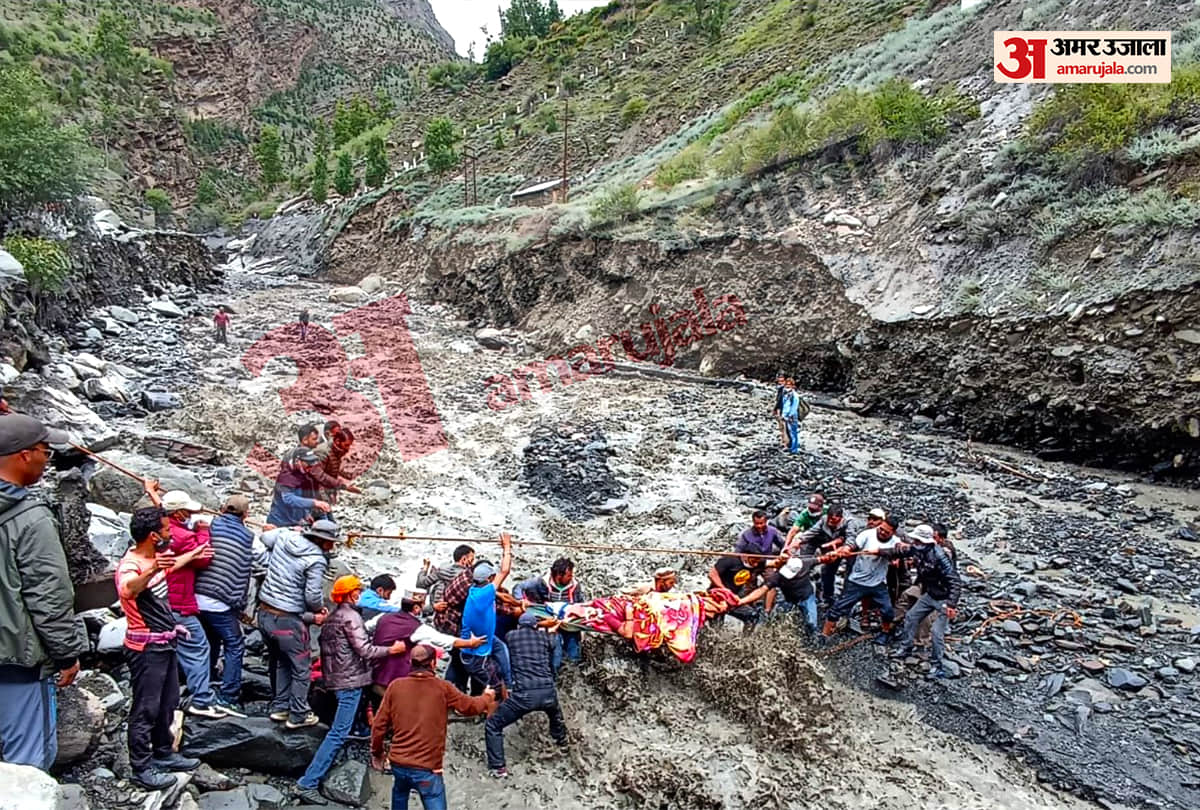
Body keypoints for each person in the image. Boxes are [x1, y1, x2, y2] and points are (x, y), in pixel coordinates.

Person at [0, 414, 87, 771]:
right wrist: (67, 655)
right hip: (16, 661)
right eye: (45, 452)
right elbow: (49, 597)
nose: (46, 460)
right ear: (24, 455)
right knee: (26, 764)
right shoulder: (30, 518)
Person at [296, 576, 405, 805]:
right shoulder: (352, 616)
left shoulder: (334, 616)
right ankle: (308, 782)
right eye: (356, 590)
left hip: (335, 678)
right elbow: (365, 650)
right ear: (349, 594)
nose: (359, 593)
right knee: (338, 733)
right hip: (350, 682)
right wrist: (391, 650)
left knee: (342, 728)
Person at [118, 506, 201, 790]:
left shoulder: (154, 558)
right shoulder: (133, 565)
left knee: (168, 703)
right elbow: (128, 589)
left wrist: (193, 554)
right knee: (146, 708)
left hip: (164, 643)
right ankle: (141, 767)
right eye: (165, 531)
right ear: (153, 536)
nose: (169, 534)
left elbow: (169, 567)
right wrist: (153, 567)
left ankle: (164, 753)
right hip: (146, 649)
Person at [370, 644, 495, 810]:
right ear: (433, 664)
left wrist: (377, 753)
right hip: (427, 769)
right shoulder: (442, 688)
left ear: (410, 663)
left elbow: (378, 726)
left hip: (398, 764)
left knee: (400, 793)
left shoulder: (395, 686)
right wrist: (487, 697)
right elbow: (470, 707)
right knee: (433, 797)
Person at [258, 519, 339, 729]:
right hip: (288, 620)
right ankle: (298, 713)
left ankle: (280, 707)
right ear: (325, 541)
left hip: (265, 612)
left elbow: (265, 537)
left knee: (281, 662)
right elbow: (312, 595)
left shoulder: (286, 536)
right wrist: (318, 610)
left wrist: (286, 528)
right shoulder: (316, 559)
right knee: (301, 669)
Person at [158, 490, 226, 719]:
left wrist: (150, 491)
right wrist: (203, 531)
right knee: (198, 647)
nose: (190, 514)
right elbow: (205, 557)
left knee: (172, 646)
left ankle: (171, 693)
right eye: (187, 511)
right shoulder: (185, 537)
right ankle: (201, 700)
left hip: (160, 600)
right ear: (177, 513)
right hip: (180, 601)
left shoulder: (160, 531)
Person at [194, 495, 258, 716]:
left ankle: (208, 679)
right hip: (219, 601)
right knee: (234, 644)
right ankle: (228, 695)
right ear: (245, 515)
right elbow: (255, 565)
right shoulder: (250, 537)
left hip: (197, 595)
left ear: (222, 509)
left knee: (210, 639)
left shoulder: (208, 525)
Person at [484, 613, 568, 778]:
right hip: (548, 692)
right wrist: (553, 628)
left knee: (493, 726)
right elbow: (552, 641)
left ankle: (498, 767)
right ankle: (562, 742)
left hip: (524, 696)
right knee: (555, 714)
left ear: (519, 626)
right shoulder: (545, 638)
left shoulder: (511, 636)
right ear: (536, 626)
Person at [372, 592, 485, 698]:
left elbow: (365, 628)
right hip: (395, 684)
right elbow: (445, 640)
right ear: (416, 608)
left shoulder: (382, 617)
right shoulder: (417, 628)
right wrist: (470, 643)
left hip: (375, 676)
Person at [890, 525, 962, 679]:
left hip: (943, 598)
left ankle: (937, 665)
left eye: (917, 540)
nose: (914, 542)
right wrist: (882, 552)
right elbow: (903, 551)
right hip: (929, 594)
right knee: (911, 616)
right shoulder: (918, 549)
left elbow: (955, 581)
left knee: (936, 633)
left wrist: (951, 604)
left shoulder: (940, 556)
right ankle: (906, 648)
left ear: (925, 541)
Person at [821, 516, 904, 644]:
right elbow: (853, 544)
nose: (882, 532)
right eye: (881, 529)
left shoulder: (895, 541)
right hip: (857, 582)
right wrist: (845, 550)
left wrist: (882, 553)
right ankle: (824, 635)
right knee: (837, 609)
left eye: (886, 532)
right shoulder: (867, 534)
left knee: (887, 611)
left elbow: (901, 550)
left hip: (878, 583)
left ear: (893, 532)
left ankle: (885, 632)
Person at [461, 534, 513, 694]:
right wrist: (507, 547)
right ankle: (499, 706)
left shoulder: (474, 589)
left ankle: (510, 684)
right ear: (489, 579)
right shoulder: (485, 593)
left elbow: (498, 593)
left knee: (501, 648)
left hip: (483, 640)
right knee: (494, 689)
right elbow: (505, 570)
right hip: (476, 654)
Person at [514, 557, 586, 668]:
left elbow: (580, 602)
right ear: (558, 576)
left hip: (568, 621)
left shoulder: (575, 585)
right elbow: (519, 587)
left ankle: (573, 671)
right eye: (569, 575)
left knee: (574, 655)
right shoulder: (540, 582)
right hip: (549, 621)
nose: (572, 577)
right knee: (554, 653)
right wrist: (521, 600)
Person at [787, 503, 850, 609]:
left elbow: (852, 539)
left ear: (840, 518)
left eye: (833, 520)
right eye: (829, 519)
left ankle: (845, 601)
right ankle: (827, 598)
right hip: (828, 546)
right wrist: (798, 541)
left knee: (849, 575)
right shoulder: (824, 520)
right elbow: (812, 531)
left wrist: (844, 548)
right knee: (827, 572)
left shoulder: (849, 522)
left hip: (846, 549)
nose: (830, 522)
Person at [734, 511, 786, 614]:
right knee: (750, 584)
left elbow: (783, 545)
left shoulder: (772, 531)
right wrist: (743, 557)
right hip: (752, 563)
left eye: (761, 523)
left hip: (767, 561)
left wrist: (784, 554)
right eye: (756, 523)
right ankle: (751, 608)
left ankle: (767, 609)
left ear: (766, 521)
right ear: (753, 522)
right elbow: (737, 551)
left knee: (772, 580)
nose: (759, 526)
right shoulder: (746, 535)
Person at [708, 553, 775, 631]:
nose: (756, 563)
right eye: (754, 560)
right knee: (716, 626)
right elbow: (712, 574)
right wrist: (726, 590)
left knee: (752, 616)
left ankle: (745, 640)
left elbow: (775, 562)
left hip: (734, 599)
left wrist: (785, 557)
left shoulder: (757, 563)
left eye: (758, 561)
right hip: (718, 597)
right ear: (746, 556)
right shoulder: (729, 560)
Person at [266, 449, 332, 527]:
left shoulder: (303, 474)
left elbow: (303, 496)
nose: (310, 467)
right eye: (307, 463)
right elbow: (289, 499)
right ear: (297, 461)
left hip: (296, 521)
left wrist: (306, 514)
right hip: (280, 522)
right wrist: (315, 503)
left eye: (312, 463)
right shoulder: (285, 476)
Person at [420, 544, 474, 614]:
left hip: (435, 612)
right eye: (472, 560)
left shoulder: (441, 570)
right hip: (455, 616)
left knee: (440, 583)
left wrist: (425, 567)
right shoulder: (467, 578)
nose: (473, 563)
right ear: (464, 559)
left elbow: (421, 583)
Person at [780, 377, 801, 454]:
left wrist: (789, 416)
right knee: (789, 432)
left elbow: (794, 407)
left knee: (793, 432)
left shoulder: (795, 396)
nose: (787, 386)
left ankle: (794, 449)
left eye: (789, 385)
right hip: (786, 416)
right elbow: (785, 405)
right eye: (786, 384)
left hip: (792, 416)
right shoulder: (786, 394)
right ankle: (791, 447)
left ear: (793, 386)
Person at [771, 372, 787, 447]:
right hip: (783, 409)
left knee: (783, 426)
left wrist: (775, 409)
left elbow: (779, 401)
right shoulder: (784, 389)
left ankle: (785, 442)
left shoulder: (783, 390)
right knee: (783, 426)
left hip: (783, 410)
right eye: (779, 381)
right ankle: (784, 441)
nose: (780, 382)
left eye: (782, 381)